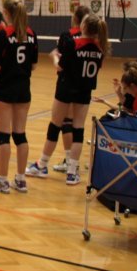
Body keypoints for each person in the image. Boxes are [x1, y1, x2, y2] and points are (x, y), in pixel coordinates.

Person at [26, 14, 110, 185]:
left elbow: (60, 67)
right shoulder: (101, 48)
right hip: (84, 91)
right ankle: (72, 172)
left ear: (83, 26)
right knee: (78, 129)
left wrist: (54, 56)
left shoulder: (74, 44)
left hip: (66, 88)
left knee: (55, 125)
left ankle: (42, 164)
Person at [0, 0, 38, 194]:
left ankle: (2, 181)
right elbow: (33, 65)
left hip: (5, 88)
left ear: (6, 13)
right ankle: (21, 180)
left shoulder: (4, 34)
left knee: (3, 135)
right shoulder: (31, 34)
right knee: (20, 134)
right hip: (23, 89)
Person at [50, 5, 90, 173]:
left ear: (75, 18)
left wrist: (54, 56)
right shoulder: (93, 38)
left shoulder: (68, 36)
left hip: (67, 83)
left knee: (64, 122)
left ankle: (68, 161)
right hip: (84, 85)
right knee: (77, 125)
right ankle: (73, 162)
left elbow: (61, 62)